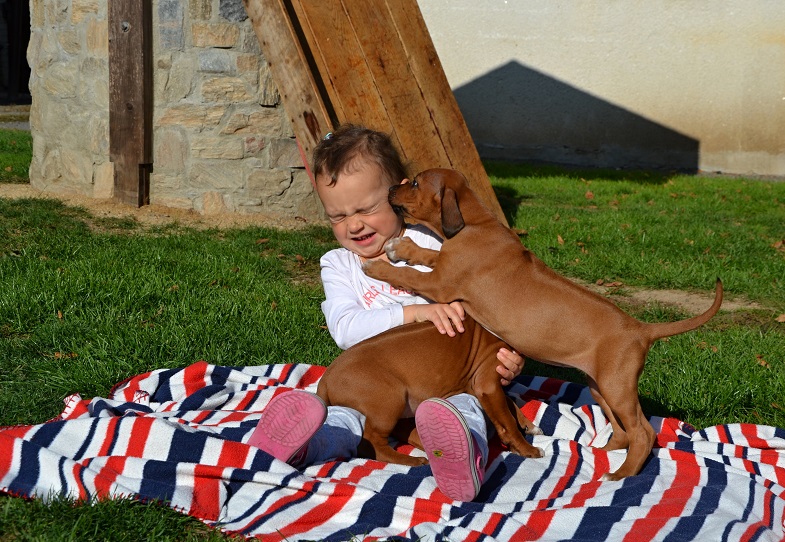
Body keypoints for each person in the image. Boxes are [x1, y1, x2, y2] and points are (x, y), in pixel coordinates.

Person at [249, 124, 524, 501]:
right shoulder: (339, 264)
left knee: (468, 407)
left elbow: (489, 308)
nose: (353, 224)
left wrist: (508, 357)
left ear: (399, 194)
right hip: (373, 385)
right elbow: (345, 329)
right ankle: (307, 444)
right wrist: (416, 312)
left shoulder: (432, 245)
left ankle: (460, 453)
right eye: (337, 216)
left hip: (447, 383)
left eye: (365, 209)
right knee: (345, 419)